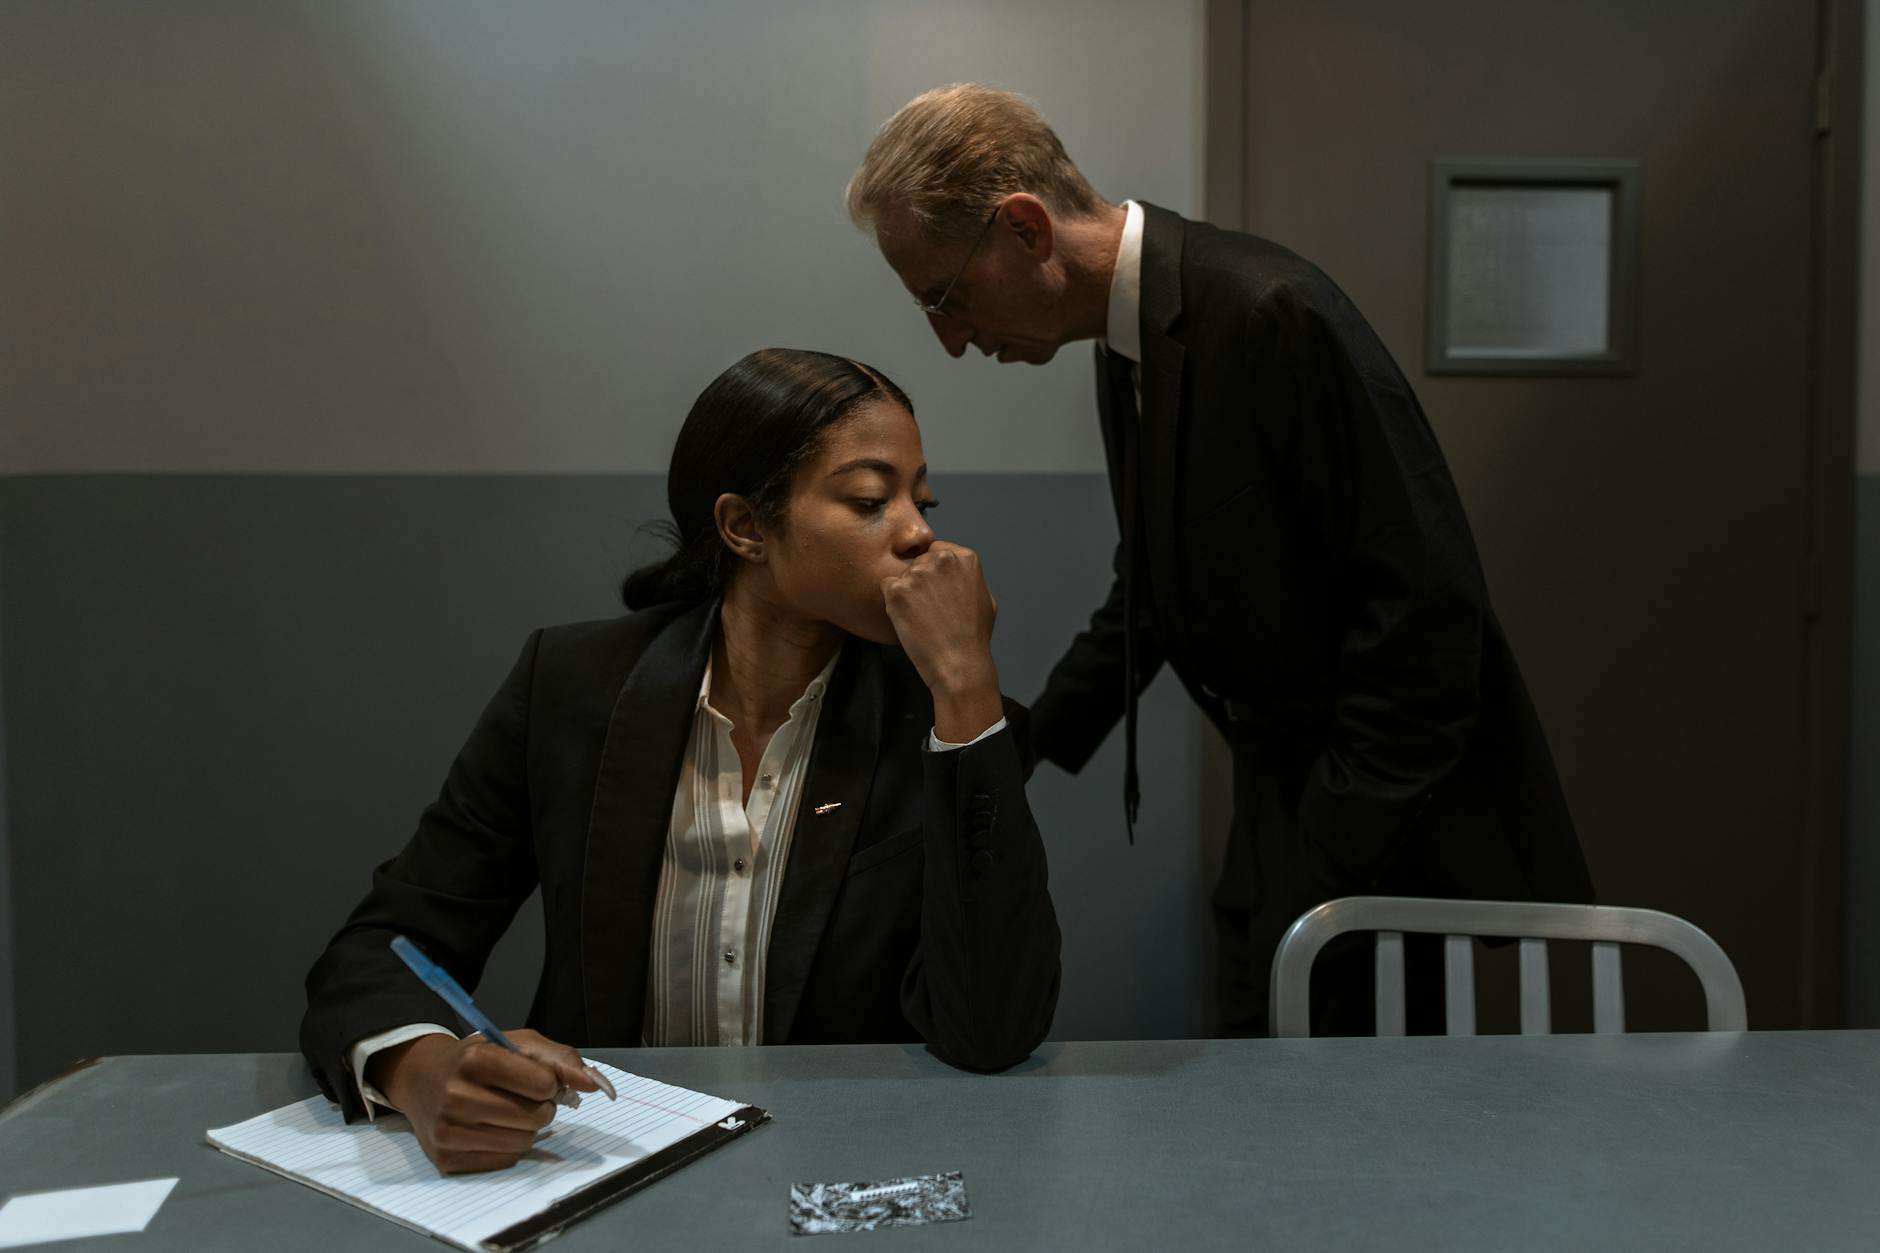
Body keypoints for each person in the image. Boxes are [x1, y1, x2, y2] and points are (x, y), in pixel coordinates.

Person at [845, 84, 1593, 1037]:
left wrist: (1328, 845)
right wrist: (1009, 741)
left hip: (1378, 822)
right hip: (1288, 796)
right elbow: (1152, 588)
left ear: (1027, 230)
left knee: (1364, 1144)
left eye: (945, 298)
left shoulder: (1271, 314)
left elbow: (1428, 614)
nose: (951, 341)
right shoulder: (1130, 338)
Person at [300, 348, 1061, 1173]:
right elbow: (383, 945)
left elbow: (992, 1029)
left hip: (846, 1173)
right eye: (872, 500)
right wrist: (422, 1067)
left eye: (924, 497)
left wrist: (964, 685)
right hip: (608, 1167)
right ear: (744, 526)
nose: (920, 533)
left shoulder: (949, 726)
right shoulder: (571, 690)